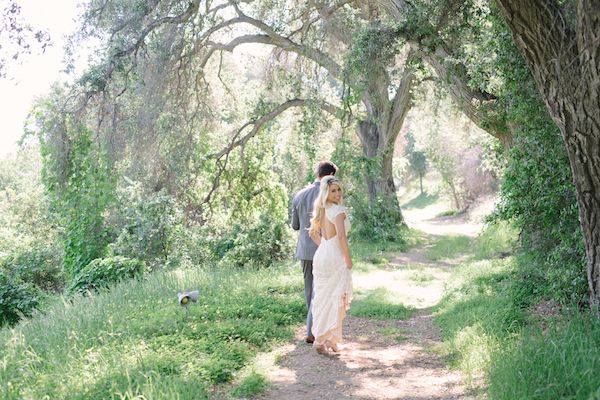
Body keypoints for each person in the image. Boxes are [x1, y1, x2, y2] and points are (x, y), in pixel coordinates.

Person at [291, 161, 338, 344]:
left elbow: (295, 226)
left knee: (310, 290)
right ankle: (314, 330)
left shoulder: (299, 195)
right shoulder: (329, 195)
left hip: (304, 249)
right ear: (331, 175)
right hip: (324, 248)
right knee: (323, 291)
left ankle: (312, 328)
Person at [308, 175, 353, 354]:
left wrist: (325, 246)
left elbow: (313, 233)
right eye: (333, 190)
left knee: (324, 297)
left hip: (322, 254)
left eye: (339, 190)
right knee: (336, 297)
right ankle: (323, 340)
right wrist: (347, 258)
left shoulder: (322, 209)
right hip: (334, 256)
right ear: (326, 192)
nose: (337, 193)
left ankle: (329, 340)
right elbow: (341, 237)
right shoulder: (338, 211)